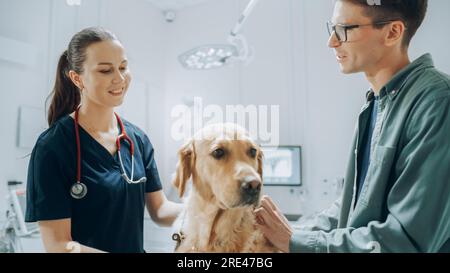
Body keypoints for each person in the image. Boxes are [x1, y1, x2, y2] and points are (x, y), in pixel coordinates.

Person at [254, 0, 450, 253]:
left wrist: (294, 241)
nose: (332, 42)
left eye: (345, 29)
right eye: (332, 28)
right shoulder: (377, 103)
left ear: (392, 32)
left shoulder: (436, 102)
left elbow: (408, 240)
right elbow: (356, 204)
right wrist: (285, 232)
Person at [25, 27, 183, 253]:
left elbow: (160, 211)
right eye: (105, 70)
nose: (119, 78)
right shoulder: (52, 147)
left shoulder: (137, 139)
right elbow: (58, 245)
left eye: (123, 67)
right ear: (77, 78)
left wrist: (215, 211)